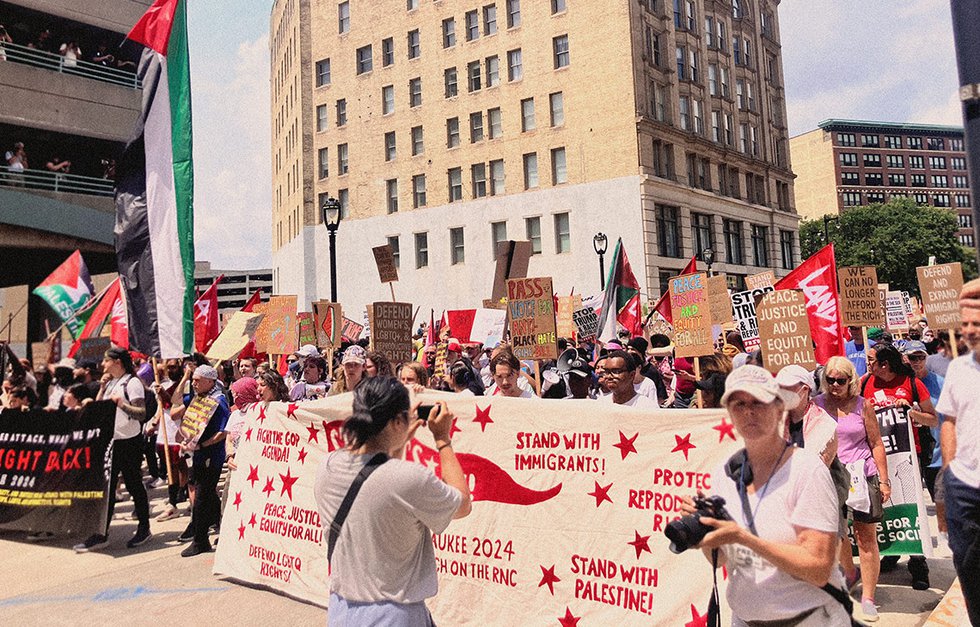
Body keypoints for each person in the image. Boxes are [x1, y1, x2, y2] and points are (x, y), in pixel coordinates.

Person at [682, 365, 851, 625]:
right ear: (729, 413)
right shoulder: (726, 473)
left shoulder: (807, 471)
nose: (749, 412)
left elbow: (818, 568)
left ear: (779, 409)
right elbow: (722, 560)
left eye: (759, 403)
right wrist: (706, 533)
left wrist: (744, 537)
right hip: (745, 619)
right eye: (739, 404)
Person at [314, 377, 471, 625]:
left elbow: (378, 476)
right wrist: (443, 439)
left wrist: (398, 439)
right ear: (397, 421)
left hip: (342, 608)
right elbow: (462, 504)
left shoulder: (328, 465)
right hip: (393, 614)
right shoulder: (408, 478)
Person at [815, 356, 888, 621]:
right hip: (832, 477)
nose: (835, 385)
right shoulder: (817, 406)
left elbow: (876, 442)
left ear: (851, 381)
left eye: (840, 380)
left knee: (866, 536)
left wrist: (883, 479)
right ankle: (849, 574)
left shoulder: (863, 406)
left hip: (862, 475)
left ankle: (868, 597)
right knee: (837, 534)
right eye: (830, 379)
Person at [863, 342, 937, 590]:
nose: (868, 363)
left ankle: (918, 563)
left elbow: (933, 418)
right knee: (884, 506)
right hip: (878, 457)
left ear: (885, 364)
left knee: (910, 506)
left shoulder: (912, 383)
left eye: (872, 360)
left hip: (908, 455)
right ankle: (892, 551)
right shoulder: (865, 383)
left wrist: (912, 413)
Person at [74, 348, 152, 552]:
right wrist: (101, 389)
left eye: (106, 361)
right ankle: (101, 533)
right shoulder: (111, 383)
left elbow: (141, 413)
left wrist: (122, 405)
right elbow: (102, 408)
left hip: (128, 442)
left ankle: (144, 527)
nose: (102, 365)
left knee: (134, 484)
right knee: (107, 488)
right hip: (111, 441)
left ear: (117, 362)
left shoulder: (132, 383)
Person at [936, 278, 980, 625]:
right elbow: (947, 420)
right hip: (964, 488)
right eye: (964, 325)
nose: (969, 331)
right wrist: (950, 472)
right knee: (967, 565)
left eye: (976, 324)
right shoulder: (957, 370)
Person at [168, 364, 230, 557]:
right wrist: (185, 377)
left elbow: (223, 431)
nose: (194, 383)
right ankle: (220, 522)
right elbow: (175, 401)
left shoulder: (218, 401)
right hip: (198, 453)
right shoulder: (198, 398)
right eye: (193, 379)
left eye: (197, 380)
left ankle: (200, 540)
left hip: (212, 455)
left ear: (210, 381)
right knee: (206, 492)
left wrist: (203, 446)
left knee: (202, 496)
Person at [776, 365, 838, 467]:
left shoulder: (825, 425)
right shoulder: (777, 421)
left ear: (804, 390)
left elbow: (820, 468)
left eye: (786, 389)